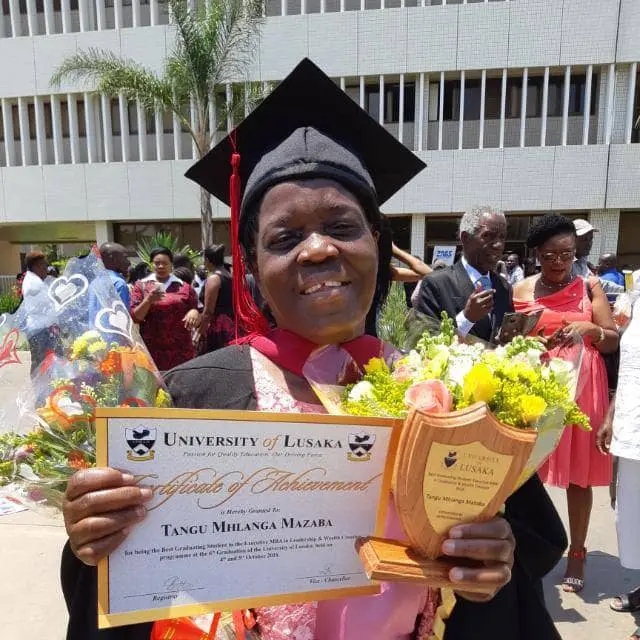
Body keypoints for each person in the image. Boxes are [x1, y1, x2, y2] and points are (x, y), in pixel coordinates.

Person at [59, 59, 565, 640]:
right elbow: (123, 588)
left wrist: (490, 565)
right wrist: (93, 536)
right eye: (285, 237)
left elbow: (523, 555)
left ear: (377, 243)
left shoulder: (451, 396)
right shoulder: (190, 399)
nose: (318, 249)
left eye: (342, 226)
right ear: (252, 267)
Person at [513, 214, 618, 594]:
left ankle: (577, 552)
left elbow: (611, 340)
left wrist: (592, 330)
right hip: (536, 387)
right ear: (537, 254)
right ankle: (532, 547)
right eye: (551, 255)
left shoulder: (591, 287)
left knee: (578, 476)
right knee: (526, 473)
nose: (559, 262)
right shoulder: (522, 290)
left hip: (584, 386)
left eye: (567, 254)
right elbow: (511, 338)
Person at [597, 293, 640, 640]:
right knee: (632, 515)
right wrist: (611, 415)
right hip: (633, 426)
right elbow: (630, 366)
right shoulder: (637, 289)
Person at [414, 205, 512, 343]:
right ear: (465, 238)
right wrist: (466, 319)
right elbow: (424, 343)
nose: (498, 245)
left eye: (502, 237)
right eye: (488, 236)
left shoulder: (504, 287)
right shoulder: (436, 284)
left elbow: (506, 339)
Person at [130, 247, 198, 370]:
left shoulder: (184, 287)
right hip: (152, 350)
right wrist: (148, 300)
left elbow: (197, 313)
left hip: (181, 351)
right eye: (157, 263)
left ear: (172, 264)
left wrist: (194, 312)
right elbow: (135, 317)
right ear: (151, 264)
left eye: (165, 263)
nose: (161, 266)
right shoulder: (141, 286)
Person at [198, 244, 235, 353]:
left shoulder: (214, 278)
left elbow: (208, 311)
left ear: (207, 260)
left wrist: (201, 331)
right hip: (232, 323)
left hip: (218, 326)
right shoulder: (230, 276)